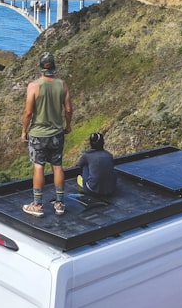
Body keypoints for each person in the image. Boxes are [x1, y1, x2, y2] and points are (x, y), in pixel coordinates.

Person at [21, 52, 73, 217]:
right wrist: (68, 125)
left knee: (39, 166)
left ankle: (37, 205)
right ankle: (59, 204)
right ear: (54, 66)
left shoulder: (34, 86)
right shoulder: (62, 85)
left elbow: (28, 112)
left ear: (40, 67)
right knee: (57, 166)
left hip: (38, 134)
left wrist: (24, 131)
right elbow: (69, 109)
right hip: (57, 133)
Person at [75, 132, 116, 196]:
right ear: (103, 143)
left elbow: (78, 166)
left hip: (92, 191)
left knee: (85, 166)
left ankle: (84, 184)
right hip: (110, 190)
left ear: (91, 144)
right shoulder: (109, 155)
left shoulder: (87, 155)